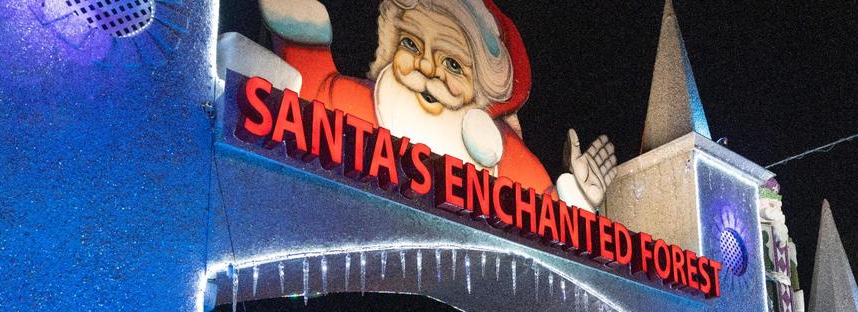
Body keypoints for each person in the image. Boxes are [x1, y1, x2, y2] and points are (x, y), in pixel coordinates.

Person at [251, 0, 616, 211]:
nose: (427, 68)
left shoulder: (500, 152)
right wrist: (300, 37)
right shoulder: (365, 103)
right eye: (411, 44)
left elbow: (547, 212)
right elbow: (312, 93)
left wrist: (579, 204)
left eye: (452, 64)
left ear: (481, 87)